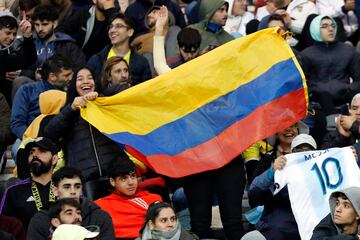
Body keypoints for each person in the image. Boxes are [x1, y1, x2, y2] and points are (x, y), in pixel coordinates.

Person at [44, 66, 124, 181]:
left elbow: (125, 91)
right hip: (84, 179)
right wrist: (71, 108)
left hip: (115, 176)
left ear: (95, 82)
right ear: (74, 85)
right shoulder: (68, 111)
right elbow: (49, 133)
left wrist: (100, 99)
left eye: (90, 78)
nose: (86, 81)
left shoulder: (107, 104)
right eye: (80, 79)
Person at [246, 134, 317, 240]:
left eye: (308, 150)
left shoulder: (324, 173)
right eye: (299, 150)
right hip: (281, 224)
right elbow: (254, 194)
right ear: (292, 152)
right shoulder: (281, 170)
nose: (304, 154)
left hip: (310, 222)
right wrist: (272, 171)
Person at [27, 166, 115, 240]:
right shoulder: (40, 220)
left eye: (77, 186)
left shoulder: (100, 216)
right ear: (55, 191)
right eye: (66, 187)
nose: (73, 191)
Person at [300, 15, 360, 115]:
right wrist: (315, 89)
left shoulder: (348, 51)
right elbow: (302, 83)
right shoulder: (306, 54)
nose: (331, 29)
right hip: (319, 98)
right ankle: (332, 125)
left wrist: (349, 88)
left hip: (344, 94)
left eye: (333, 25)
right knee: (324, 96)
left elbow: (358, 79)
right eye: (325, 26)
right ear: (315, 29)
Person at [95, 158, 162, 239]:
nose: (131, 182)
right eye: (124, 178)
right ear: (112, 182)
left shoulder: (153, 199)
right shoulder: (100, 205)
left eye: (133, 176)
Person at [0, 137, 59, 229]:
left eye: (42, 151)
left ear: (54, 159)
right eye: (31, 152)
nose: (35, 155)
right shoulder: (14, 191)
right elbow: (5, 228)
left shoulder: (66, 187)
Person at [11, 54, 73, 140]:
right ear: (52, 77)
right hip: (30, 137)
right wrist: (31, 140)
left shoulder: (72, 92)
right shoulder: (27, 90)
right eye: (66, 75)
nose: (71, 78)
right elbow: (17, 123)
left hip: (62, 139)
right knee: (16, 150)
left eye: (71, 74)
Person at [87, 13, 152, 85]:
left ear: (130, 32)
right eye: (111, 27)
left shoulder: (142, 62)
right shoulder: (96, 60)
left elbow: (147, 90)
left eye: (118, 26)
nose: (112, 30)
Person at [0, 11, 36, 104]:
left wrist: (27, 36)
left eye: (14, 34)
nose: (12, 38)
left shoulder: (2, 56)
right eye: (8, 33)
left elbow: (29, 59)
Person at [153, 6, 201, 74]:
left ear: (199, 47)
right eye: (185, 52)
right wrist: (159, 28)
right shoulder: (171, 65)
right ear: (179, 47)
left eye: (193, 52)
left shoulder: (207, 60)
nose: (190, 56)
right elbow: (160, 67)